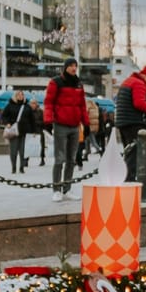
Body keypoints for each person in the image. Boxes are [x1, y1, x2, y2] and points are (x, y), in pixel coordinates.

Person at [42, 60, 89, 200]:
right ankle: (56, 189)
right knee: (59, 158)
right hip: (60, 125)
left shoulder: (79, 84)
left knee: (71, 159)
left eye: (75, 66)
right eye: (71, 66)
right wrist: (48, 121)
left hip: (75, 126)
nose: (74, 68)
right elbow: (48, 102)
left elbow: (82, 105)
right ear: (65, 68)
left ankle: (67, 189)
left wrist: (85, 124)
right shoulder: (56, 82)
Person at [113, 66, 146, 183]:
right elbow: (139, 103)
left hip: (123, 122)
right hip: (133, 122)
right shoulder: (138, 83)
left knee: (128, 153)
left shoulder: (128, 81)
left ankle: (127, 179)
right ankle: (129, 181)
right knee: (133, 156)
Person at [1, 89, 37, 174]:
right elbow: (3, 116)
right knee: (13, 151)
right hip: (14, 131)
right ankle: (13, 166)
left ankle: (21, 167)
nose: (20, 96)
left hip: (25, 131)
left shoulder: (27, 106)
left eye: (22, 95)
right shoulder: (10, 106)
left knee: (23, 151)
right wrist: (7, 123)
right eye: (18, 95)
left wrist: (34, 130)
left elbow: (32, 119)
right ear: (15, 96)